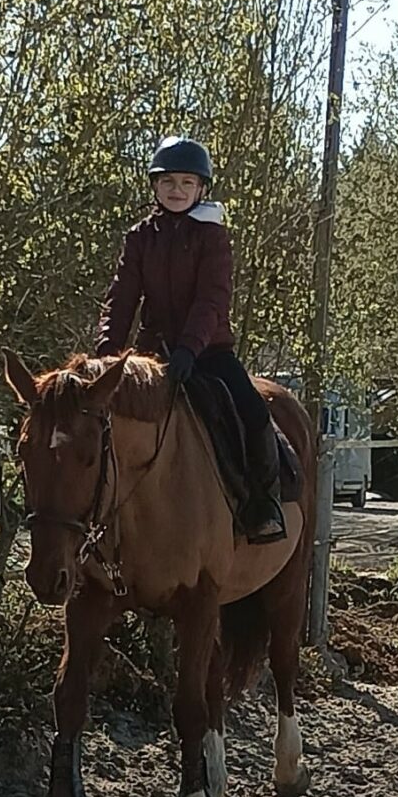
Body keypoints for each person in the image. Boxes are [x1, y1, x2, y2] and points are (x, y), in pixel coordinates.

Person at [95, 135, 286, 544]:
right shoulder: (139, 237)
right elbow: (121, 297)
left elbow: (211, 299)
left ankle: (262, 504)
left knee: (254, 411)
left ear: (201, 188)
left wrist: (189, 348)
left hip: (208, 350)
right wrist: (107, 355)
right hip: (152, 354)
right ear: (154, 186)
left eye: (186, 182)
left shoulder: (212, 237)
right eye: (168, 182)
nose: (177, 190)